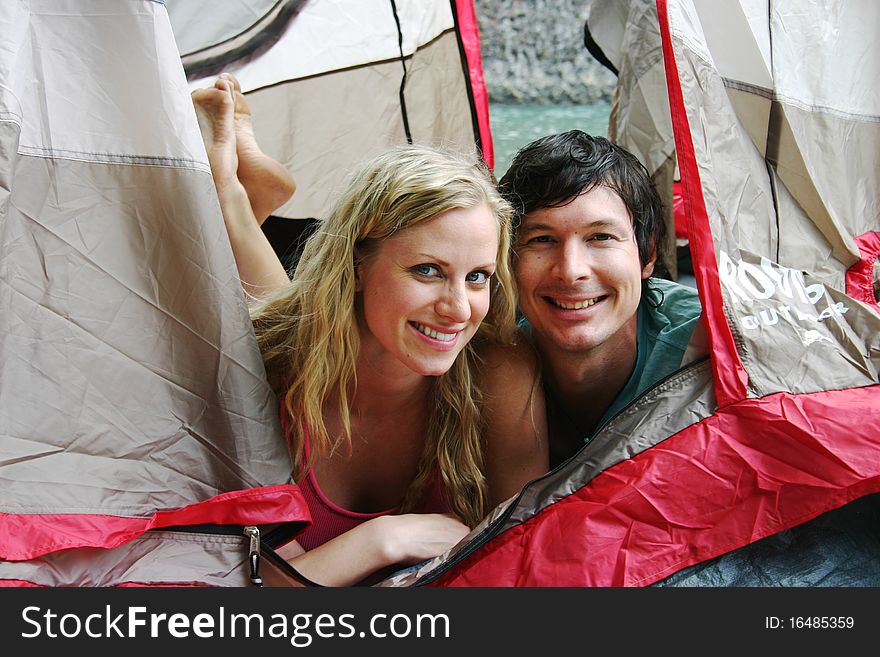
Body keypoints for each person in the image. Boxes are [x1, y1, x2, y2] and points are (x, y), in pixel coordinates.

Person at [192, 75, 548, 586]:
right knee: (277, 331)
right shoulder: (263, 373)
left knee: (296, 319)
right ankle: (226, 193)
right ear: (356, 262)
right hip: (297, 345)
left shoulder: (500, 371)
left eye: (477, 277)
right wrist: (385, 539)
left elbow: (523, 560)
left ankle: (235, 197)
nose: (457, 308)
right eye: (426, 269)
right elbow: (252, 588)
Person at [498, 130, 703, 468]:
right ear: (507, 259)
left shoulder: (707, 346)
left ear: (648, 254)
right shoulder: (485, 346)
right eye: (542, 239)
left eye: (601, 237)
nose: (571, 270)